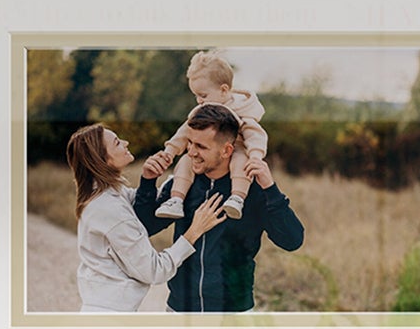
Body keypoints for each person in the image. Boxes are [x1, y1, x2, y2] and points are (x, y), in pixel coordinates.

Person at [132, 104, 305, 313]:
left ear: (227, 150)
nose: (191, 152)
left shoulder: (252, 190)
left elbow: (292, 240)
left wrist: (270, 188)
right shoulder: (183, 185)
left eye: (201, 147)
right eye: (190, 143)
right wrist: (148, 182)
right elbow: (144, 227)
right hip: (180, 309)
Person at [66, 125, 231, 313]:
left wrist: (150, 179)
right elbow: (154, 270)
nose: (126, 143)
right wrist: (194, 231)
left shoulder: (108, 195)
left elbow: (143, 208)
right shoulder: (110, 210)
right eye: (117, 143)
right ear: (103, 160)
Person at [144, 51, 275, 220]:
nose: (199, 100)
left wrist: (255, 156)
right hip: (210, 159)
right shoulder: (202, 111)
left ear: (223, 90)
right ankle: (176, 199)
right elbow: (184, 132)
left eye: (203, 95)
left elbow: (255, 135)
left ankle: (237, 197)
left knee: (240, 160)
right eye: (196, 96)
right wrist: (169, 151)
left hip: (237, 150)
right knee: (186, 160)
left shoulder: (242, 110)